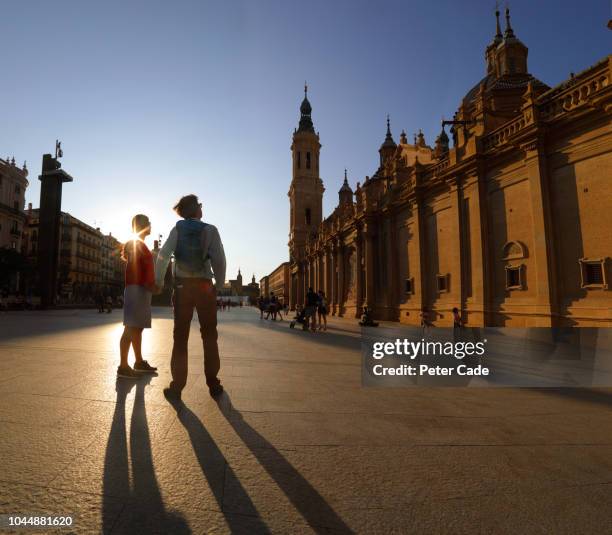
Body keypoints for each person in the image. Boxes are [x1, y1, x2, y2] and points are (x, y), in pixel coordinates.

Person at [155, 194, 226, 401]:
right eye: (201, 206)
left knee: (180, 337)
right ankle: (213, 384)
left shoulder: (177, 229)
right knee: (209, 335)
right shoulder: (210, 230)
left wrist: (159, 280)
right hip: (204, 287)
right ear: (196, 209)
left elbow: (163, 255)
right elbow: (219, 260)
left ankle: (177, 386)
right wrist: (219, 286)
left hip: (182, 288)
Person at [118, 214, 159, 379]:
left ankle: (139, 362)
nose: (150, 225)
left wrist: (149, 285)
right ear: (142, 225)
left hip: (140, 289)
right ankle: (123, 365)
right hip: (137, 288)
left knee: (138, 326)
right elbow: (136, 268)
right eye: (148, 222)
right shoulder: (137, 245)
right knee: (131, 326)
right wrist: (149, 284)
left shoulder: (139, 244)